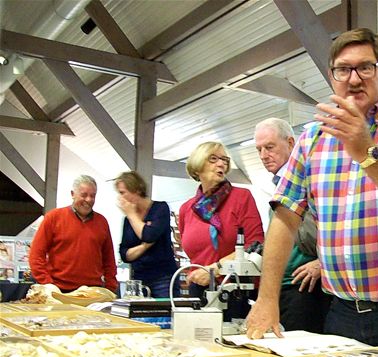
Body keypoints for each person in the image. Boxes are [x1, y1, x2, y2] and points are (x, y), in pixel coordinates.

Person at [246, 28, 378, 349]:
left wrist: (367, 151)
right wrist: (267, 299)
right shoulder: (313, 138)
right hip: (340, 312)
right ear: (332, 77)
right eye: (343, 69)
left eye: (365, 68)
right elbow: (285, 219)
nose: (353, 79)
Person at [254, 118, 331, 333]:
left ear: (290, 143)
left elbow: (314, 235)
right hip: (286, 286)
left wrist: (321, 263)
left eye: (269, 147)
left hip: (306, 288)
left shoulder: (307, 180)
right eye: (259, 149)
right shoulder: (277, 185)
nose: (263, 155)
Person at [179, 141, 264, 316]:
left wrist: (215, 269)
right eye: (213, 159)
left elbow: (255, 244)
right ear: (197, 167)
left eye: (225, 160)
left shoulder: (241, 197)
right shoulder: (186, 209)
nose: (221, 164)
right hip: (198, 291)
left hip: (235, 292)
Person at [29, 175, 118, 293]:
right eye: (84, 195)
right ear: (72, 194)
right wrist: (48, 284)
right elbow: (36, 254)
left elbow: (109, 259)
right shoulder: (54, 217)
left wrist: (110, 287)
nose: (89, 200)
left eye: (93, 195)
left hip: (93, 291)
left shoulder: (102, 222)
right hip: (59, 291)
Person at [115, 171, 179, 298]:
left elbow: (149, 236)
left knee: (165, 316)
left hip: (163, 277)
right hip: (139, 279)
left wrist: (132, 214)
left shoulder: (160, 208)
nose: (120, 198)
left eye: (122, 193)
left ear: (136, 190)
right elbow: (124, 254)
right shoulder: (128, 220)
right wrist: (145, 246)